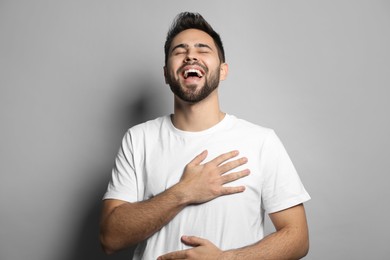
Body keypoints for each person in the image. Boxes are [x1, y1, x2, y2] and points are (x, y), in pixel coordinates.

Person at [100, 12, 311, 260]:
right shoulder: (138, 139)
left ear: (223, 71)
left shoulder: (261, 141)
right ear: (167, 73)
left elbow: (298, 238)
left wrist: (226, 259)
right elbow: (110, 238)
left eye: (203, 50)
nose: (191, 55)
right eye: (180, 51)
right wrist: (184, 191)